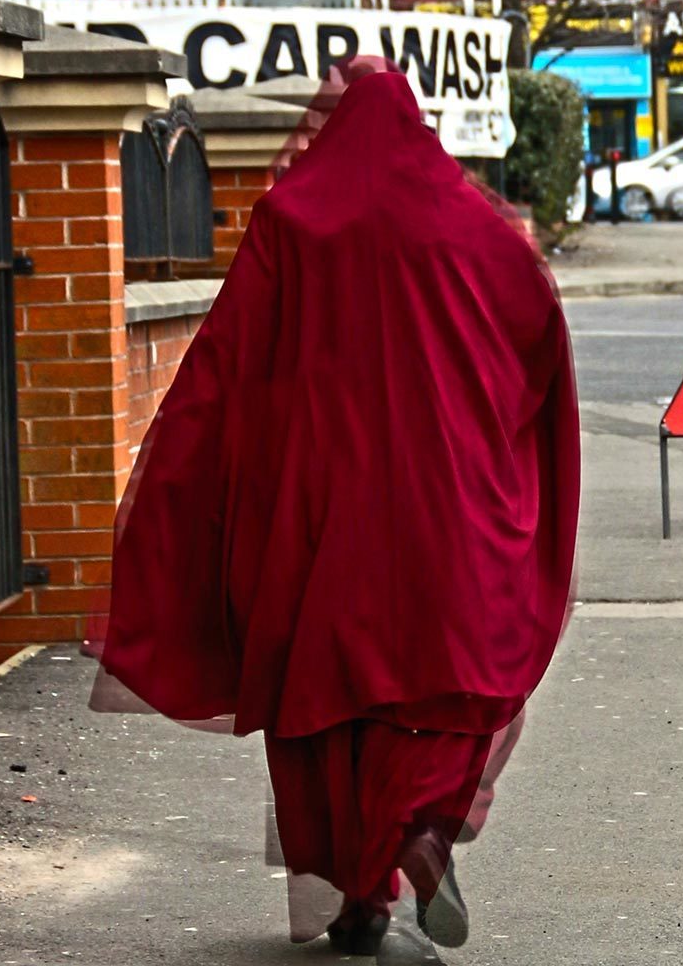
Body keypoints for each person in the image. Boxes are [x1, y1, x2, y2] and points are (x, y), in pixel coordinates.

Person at [97, 68, 579, 956]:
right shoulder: (477, 229)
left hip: (320, 512)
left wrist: (190, 502)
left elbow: (224, 372)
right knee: (439, 687)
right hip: (449, 509)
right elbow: (537, 330)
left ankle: (359, 898)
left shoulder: (291, 219)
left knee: (323, 700)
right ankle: (422, 830)